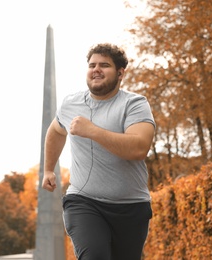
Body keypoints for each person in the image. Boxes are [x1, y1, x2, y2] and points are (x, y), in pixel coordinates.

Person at [42, 43, 155, 260]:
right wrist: (48, 169)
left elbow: (139, 148)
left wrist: (93, 131)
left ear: (121, 73)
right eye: (92, 65)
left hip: (131, 206)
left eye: (104, 65)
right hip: (84, 201)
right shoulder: (71, 103)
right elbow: (56, 131)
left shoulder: (135, 104)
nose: (96, 69)